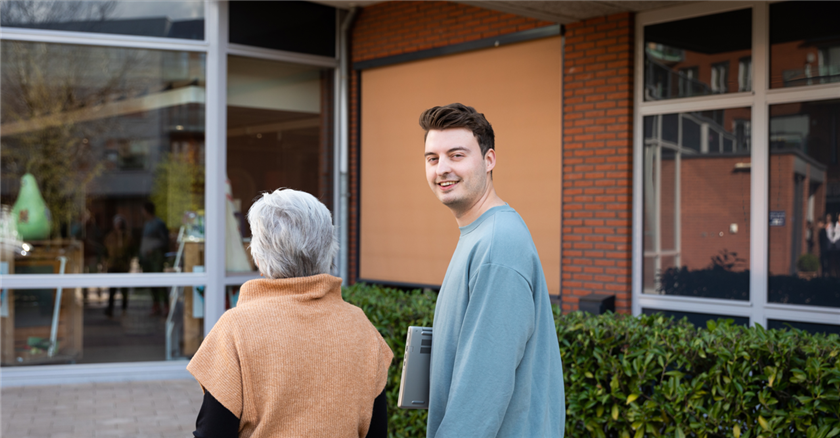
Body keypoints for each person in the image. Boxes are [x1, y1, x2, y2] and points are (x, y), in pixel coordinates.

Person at [187, 189, 393, 438]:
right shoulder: (360, 326)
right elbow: (377, 432)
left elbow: (212, 433)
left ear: (259, 257)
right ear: (328, 249)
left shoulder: (235, 328)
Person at [419, 103, 565, 438]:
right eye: (433, 158)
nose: (442, 168)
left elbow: (483, 390)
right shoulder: (481, 233)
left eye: (456, 155)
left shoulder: (498, 244)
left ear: (488, 160)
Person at [139, 202, 169, 315]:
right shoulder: (147, 224)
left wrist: (154, 249)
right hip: (147, 258)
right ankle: (156, 304)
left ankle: (165, 305)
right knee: (151, 281)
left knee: (159, 281)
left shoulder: (158, 224)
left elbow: (164, 240)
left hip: (156, 258)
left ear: (147, 210)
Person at [104, 214, 133, 317]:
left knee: (124, 290)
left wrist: (128, 262)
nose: (119, 225)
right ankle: (110, 309)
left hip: (123, 266)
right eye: (117, 223)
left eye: (120, 223)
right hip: (113, 265)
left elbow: (131, 251)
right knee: (112, 289)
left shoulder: (128, 237)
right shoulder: (110, 237)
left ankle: (124, 309)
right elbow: (105, 251)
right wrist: (106, 262)